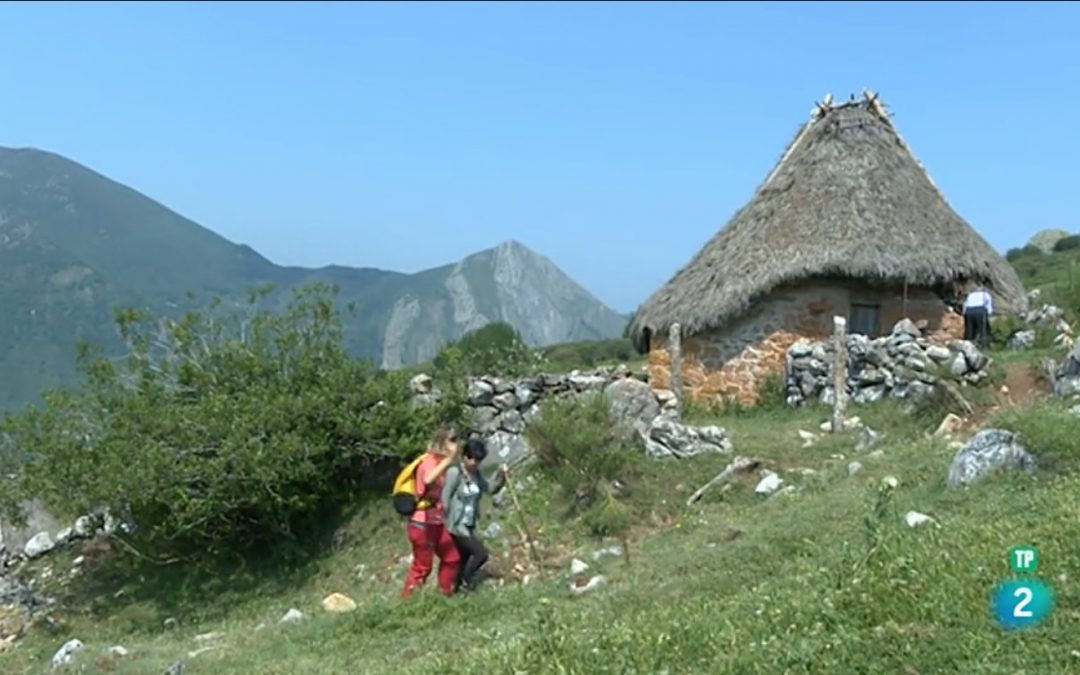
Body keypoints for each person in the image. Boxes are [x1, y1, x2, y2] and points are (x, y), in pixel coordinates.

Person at [401, 425, 462, 599]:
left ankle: (444, 596)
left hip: (435, 521)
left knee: (451, 557)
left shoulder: (440, 462)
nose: (456, 445)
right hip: (422, 523)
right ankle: (407, 605)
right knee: (422, 567)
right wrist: (448, 460)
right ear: (442, 442)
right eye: (452, 440)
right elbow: (428, 479)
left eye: (456, 440)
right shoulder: (429, 461)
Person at [441, 438, 508, 593]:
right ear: (464, 457)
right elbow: (444, 499)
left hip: (469, 525)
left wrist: (501, 476)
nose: (474, 462)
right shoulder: (455, 473)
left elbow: (490, 489)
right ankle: (465, 581)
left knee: (463, 559)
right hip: (456, 526)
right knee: (480, 554)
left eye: (477, 459)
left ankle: (456, 590)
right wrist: (443, 524)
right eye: (471, 458)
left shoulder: (477, 475)